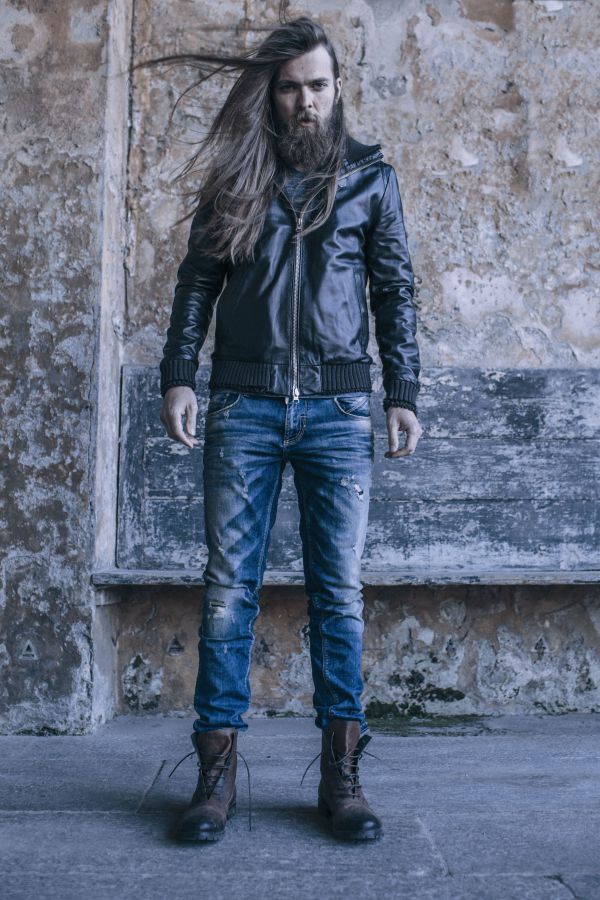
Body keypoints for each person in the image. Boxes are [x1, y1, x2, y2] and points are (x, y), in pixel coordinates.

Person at [153, 16, 422, 842]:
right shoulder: (236, 178)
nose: (306, 101)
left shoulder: (371, 180)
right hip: (245, 406)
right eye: (291, 88)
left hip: (338, 414)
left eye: (318, 86)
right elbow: (196, 283)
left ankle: (342, 776)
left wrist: (402, 390)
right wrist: (178, 375)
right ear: (270, 96)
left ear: (338, 90)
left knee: (338, 595)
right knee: (228, 593)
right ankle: (215, 775)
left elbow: (394, 290)